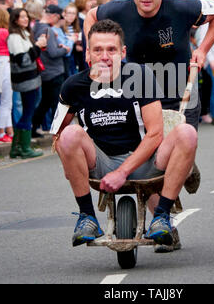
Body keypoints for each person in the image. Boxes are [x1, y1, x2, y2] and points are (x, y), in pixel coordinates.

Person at [84, 0, 214, 231]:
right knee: (149, 164)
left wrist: (203, 49)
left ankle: (186, 164)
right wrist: (90, 50)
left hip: (178, 92)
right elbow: (91, 16)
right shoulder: (117, 10)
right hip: (136, 96)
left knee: (179, 152)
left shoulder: (183, 7)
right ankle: (164, 224)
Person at [52, 20, 198, 248]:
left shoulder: (140, 76)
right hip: (101, 163)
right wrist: (67, 163)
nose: (105, 56)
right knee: (70, 135)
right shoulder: (73, 85)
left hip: (144, 159)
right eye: (98, 49)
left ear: (123, 52)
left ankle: (161, 217)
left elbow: (155, 134)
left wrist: (123, 172)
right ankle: (87, 217)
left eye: (111, 49)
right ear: (88, 53)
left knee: (187, 132)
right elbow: (58, 133)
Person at [7, 8, 47, 158]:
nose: (25, 19)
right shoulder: (14, 37)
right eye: (21, 17)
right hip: (25, 80)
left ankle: (16, 147)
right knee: (28, 112)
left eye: (26, 16)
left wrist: (38, 46)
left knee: (28, 111)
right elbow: (23, 60)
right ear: (15, 20)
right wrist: (37, 46)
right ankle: (24, 148)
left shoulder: (24, 33)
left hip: (32, 78)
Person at [31, 5, 70, 138]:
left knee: (45, 102)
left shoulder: (36, 27)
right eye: (59, 18)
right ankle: (58, 132)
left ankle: (34, 127)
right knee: (56, 103)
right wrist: (65, 49)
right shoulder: (47, 29)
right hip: (54, 72)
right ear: (54, 16)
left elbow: (47, 49)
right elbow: (53, 53)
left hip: (45, 72)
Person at [0, 9, 13, 143]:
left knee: (5, 101)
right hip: (5, 63)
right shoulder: (5, 32)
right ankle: (1, 131)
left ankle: (8, 130)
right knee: (6, 101)